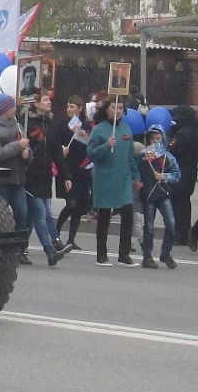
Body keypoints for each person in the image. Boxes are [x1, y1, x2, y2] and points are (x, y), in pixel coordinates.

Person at [86, 98, 141, 267]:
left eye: (120, 108)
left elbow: (130, 156)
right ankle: (101, 254)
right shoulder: (99, 130)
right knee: (104, 216)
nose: (117, 111)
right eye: (114, 107)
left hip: (123, 178)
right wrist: (105, 147)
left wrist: (136, 177)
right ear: (107, 110)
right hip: (105, 178)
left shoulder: (126, 129)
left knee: (127, 213)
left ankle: (123, 254)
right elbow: (91, 153)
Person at [0, 93, 32, 262]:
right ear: (3, 109)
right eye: (12, 106)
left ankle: (19, 249)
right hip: (1, 180)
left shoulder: (17, 125)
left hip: (17, 179)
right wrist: (18, 146)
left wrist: (27, 153)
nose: (15, 109)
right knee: (1, 217)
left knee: (22, 214)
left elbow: (25, 148)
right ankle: (1, 248)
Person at [23, 95, 73, 267]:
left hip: (45, 176)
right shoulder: (27, 123)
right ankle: (51, 250)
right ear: (35, 103)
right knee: (40, 212)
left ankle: (22, 248)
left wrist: (66, 175)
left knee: (37, 214)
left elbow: (56, 153)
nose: (49, 102)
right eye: (45, 100)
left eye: (50, 100)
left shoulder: (51, 125)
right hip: (30, 175)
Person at [52, 95, 93, 250]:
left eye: (72, 106)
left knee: (80, 205)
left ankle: (71, 239)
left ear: (80, 109)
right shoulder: (62, 125)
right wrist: (62, 149)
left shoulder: (85, 126)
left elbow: (87, 145)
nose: (69, 109)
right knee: (71, 203)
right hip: (67, 168)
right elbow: (55, 144)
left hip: (80, 168)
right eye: (68, 106)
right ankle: (55, 233)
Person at [138, 125, 180, 269]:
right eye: (152, 139)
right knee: (149, 226)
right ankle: (147, 256)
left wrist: (164, 176)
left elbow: (177, 174)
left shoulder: (168, 156)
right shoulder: (143, 156)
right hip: (149, 194)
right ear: (148, 139)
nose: (155, 142)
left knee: (171, 223)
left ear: (163, 138)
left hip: (163, 193)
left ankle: (166, 253)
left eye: (158, 138)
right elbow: (137, 171)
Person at [168, 105, 198, 251]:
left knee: (178, 204)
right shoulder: (194, 130)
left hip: (179, 172)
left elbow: (172, 151)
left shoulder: (182, 133)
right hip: (190, 173)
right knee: (184, 204)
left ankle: (180, 234)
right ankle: (184, 233)